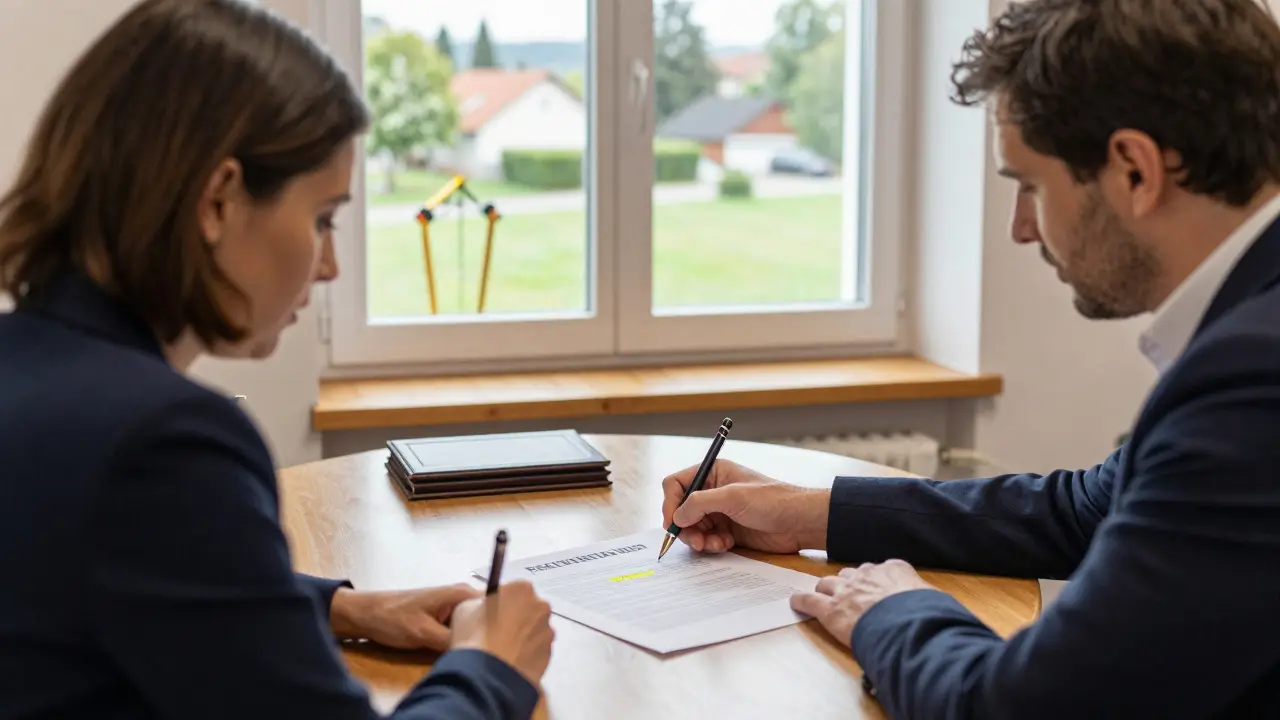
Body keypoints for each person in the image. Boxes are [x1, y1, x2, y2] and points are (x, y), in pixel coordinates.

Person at [661, 0, 1280, 717]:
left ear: (1135, 171)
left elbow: (1022, 707)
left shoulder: (1252, 382)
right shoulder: (1248, 332)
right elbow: (1080, 511)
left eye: (1028, 186)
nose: (1022, 229)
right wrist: (803, 512)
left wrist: (892, 610)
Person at [0, 1, 553, 718]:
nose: (329, 266)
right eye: (323, 218)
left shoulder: (29, 372)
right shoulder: (162, 442)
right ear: (219, 200)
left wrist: (345, 609)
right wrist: (492, 665)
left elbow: (96, 581)